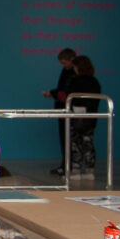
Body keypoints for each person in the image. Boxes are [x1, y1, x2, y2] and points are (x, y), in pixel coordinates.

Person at [64, 55, 101, 179]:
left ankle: (76, 169)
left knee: (75, 144)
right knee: (88, 143)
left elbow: (69, 96)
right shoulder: (94, 82)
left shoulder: (76, 81)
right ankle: (89, 170)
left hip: (76, 116)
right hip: (90, 118)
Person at [42, 47, 76, 176]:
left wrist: (53, 93)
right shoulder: (65, 71)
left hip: (69, 110)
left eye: (64, 62)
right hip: (63, 109)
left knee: (70, 139)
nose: (63, 65)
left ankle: (69, 166)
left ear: (72, 60)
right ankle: (66, 165)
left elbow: (66, 92)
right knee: (64, 139)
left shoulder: (73, 74)